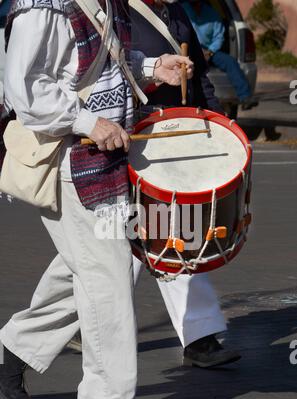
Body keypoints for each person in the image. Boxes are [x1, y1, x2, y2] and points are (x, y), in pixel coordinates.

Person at [0, 0, 193, 399]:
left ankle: (14, 349)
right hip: (71, 163)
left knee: (97, 265)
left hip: (105, 162)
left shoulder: (105, 1)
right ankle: (104, 398)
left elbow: (102, 63)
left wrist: (151, 68)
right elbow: (25, 84)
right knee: (105, 271)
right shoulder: (43, 6)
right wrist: (88, 121)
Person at [68, 0, 241, 369]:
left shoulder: (177, 13)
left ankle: (200, 337)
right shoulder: (118, 11)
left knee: (167, 238)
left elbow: (201, 80)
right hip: (130, 142)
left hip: (173, 142)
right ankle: (69, 325)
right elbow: (104, 76)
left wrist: (219, 124)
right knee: (120, 246)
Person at [182, 0, 257, 110]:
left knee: (230, 62)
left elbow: (219, 36)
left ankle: (245, 97)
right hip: (188, 51)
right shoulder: (181, 9)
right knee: (192, 69)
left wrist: (210, 52)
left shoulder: (212, 13)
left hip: (209, 51)